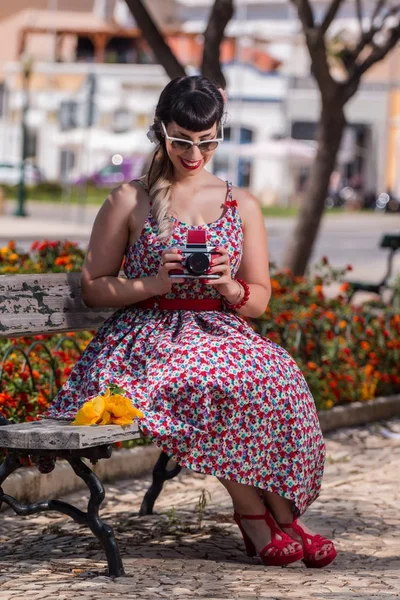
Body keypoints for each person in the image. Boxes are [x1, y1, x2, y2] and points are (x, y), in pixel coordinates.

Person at [47, 75, 336, 568]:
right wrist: (151, 285)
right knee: (214, 380)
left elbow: (260, 298)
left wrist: (229, 287)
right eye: (182, 140)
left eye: (206, 141)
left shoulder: (241, 203)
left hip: (220, 331)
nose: (194, 153)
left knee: (278, 379)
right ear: (161, 132)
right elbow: (95, 286)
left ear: (220, 133)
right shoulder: (128, 199)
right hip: (145, 341)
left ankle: (285, 519)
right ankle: (253, 516)